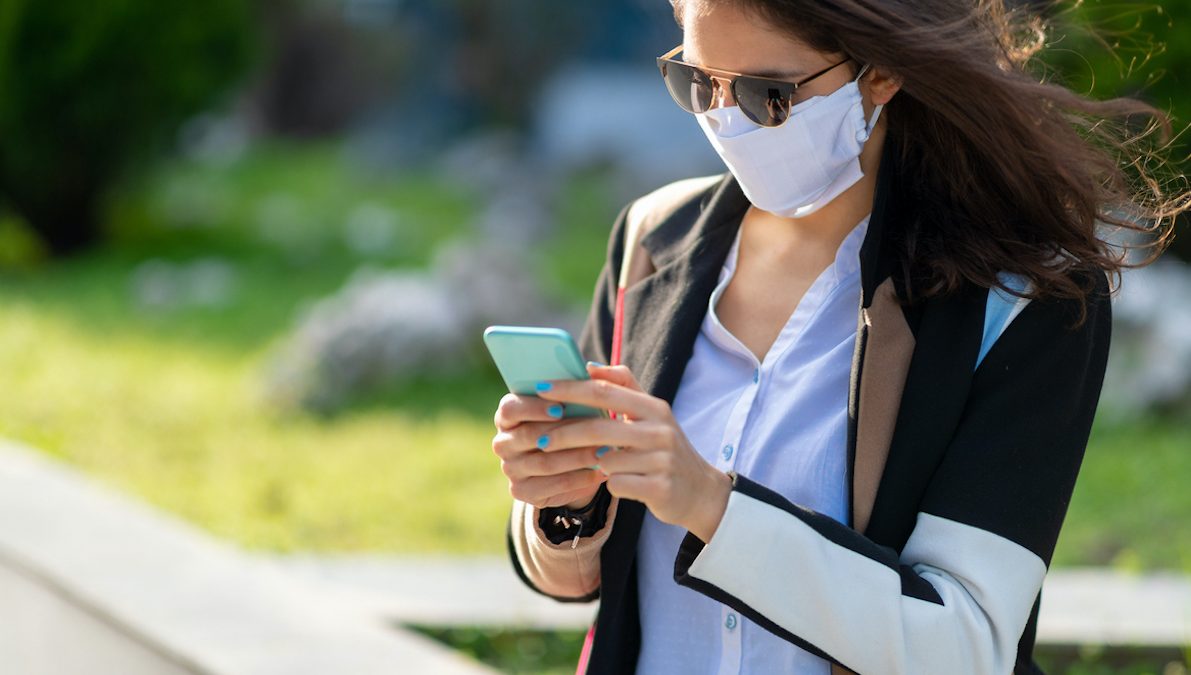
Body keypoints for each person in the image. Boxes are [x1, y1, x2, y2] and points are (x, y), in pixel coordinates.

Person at [491, 0, 1186, 673]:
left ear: (880, 72)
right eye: (699, 83)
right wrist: (564, 502)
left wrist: (712, 505)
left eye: (768, 94)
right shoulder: (654, 234)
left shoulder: (1022, 297)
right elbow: (576, 582)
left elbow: (964, 645)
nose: (726, 122)